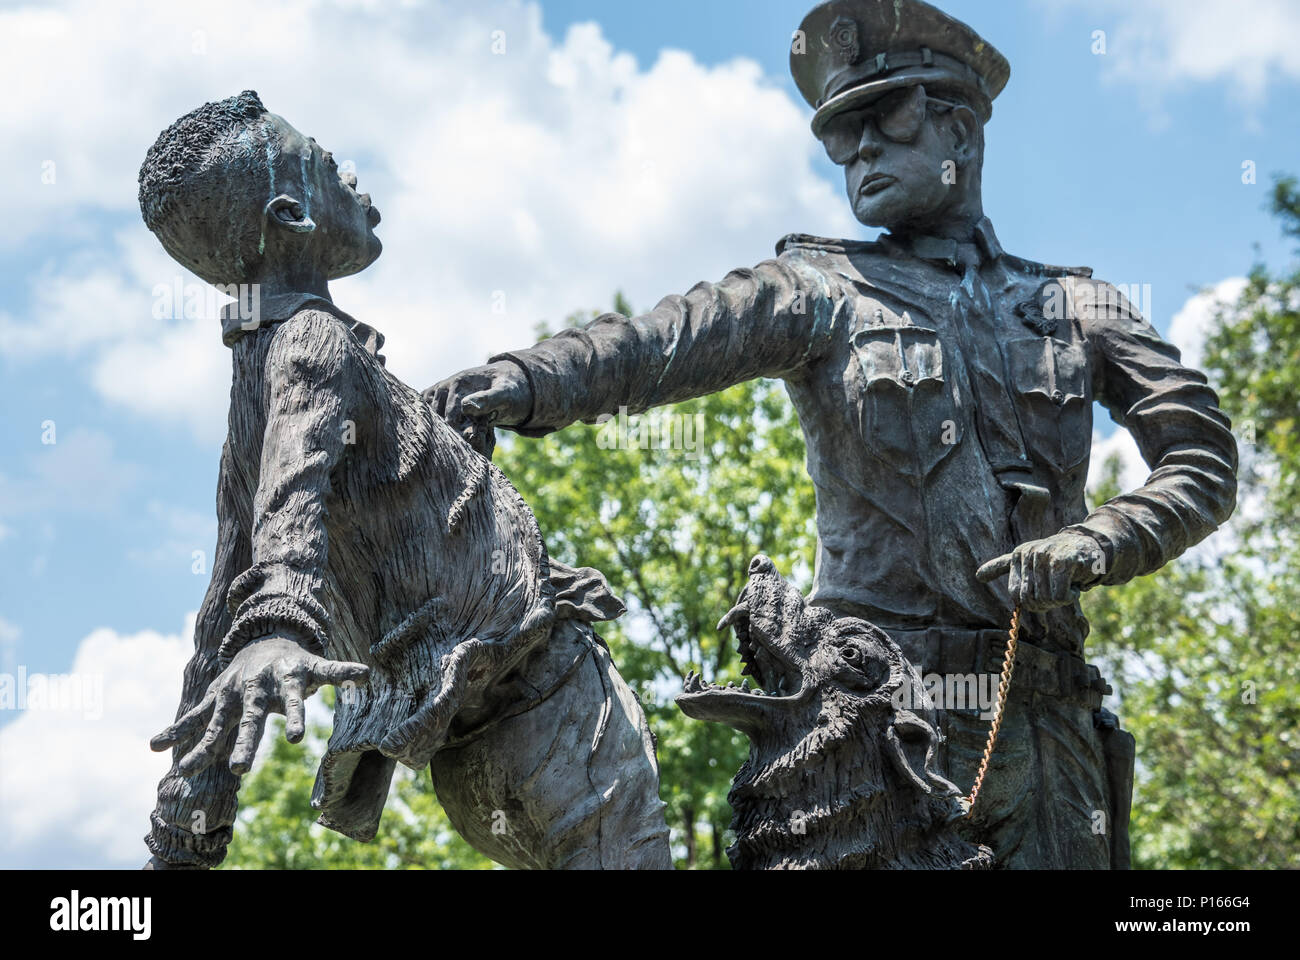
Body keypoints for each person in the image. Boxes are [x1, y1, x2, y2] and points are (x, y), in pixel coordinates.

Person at [427, 0, 1238, 868]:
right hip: (876, 729)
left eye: (883, 121)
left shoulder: (1082, 307)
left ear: (958, 128)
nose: (859, 153)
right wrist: (521, 380)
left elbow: (1204, 461)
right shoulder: (818, 289)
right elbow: (664, 341)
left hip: (1047, 737)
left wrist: (1101, 541)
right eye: (840, 138)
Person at [140, 91, 670, 869]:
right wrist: (281, 622)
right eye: (326, 165)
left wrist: (188, 817)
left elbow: (224, 596)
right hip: (548, 702)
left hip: (467, 751)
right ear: (291, 217)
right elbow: (289, 515)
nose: (351, 174)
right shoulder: (313, 340)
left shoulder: (252, 393)